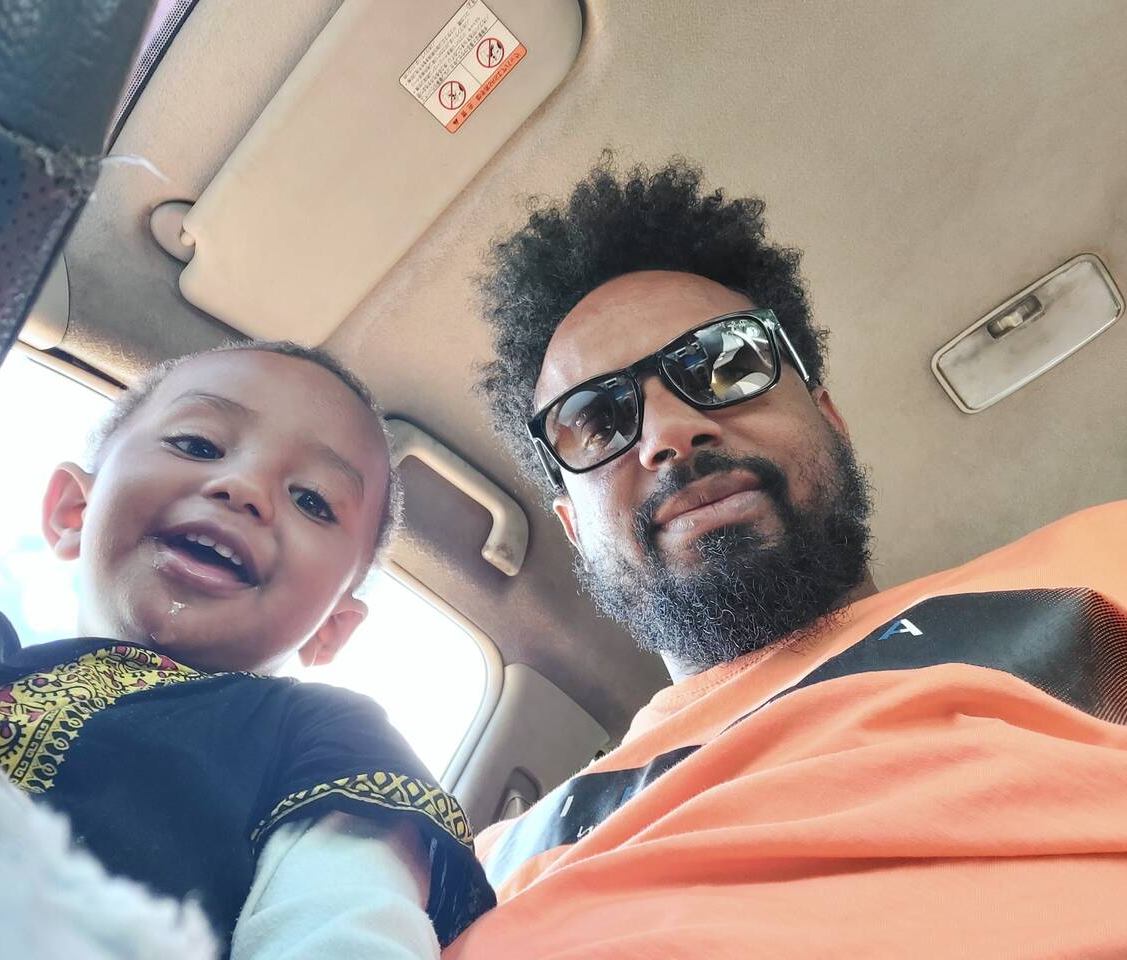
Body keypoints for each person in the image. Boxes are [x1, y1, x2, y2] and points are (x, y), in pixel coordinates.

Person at [445, 157, 1127, 958]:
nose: (670, 433)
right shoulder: (485, 868)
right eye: (596, 421)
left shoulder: (1096, 563)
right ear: (572, 526)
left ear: (828, 416)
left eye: (725, 364)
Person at [0, 340, 494, 958]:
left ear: (333, 628)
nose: (244, 488)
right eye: (197, 445)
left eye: (312, 500)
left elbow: (344, 927)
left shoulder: (324, 742)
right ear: (73, 510)